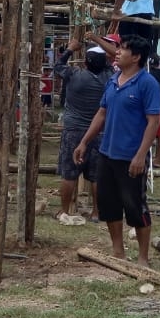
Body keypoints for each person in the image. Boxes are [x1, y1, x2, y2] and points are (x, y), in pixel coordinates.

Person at [72, 34, 160, 266]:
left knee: (135, 206)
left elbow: (153, 122)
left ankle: (143, 257)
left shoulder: (147, 83)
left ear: (137, 57)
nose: (117, 52)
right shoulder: (113, 80)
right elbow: (102, 113)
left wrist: (141, 154)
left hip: (131, 156)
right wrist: (84, 142)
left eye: (122, 49)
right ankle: (118, 252)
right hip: (107, 153)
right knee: (109, 205)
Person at [54, 40, 110, 219]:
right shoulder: (109, 78)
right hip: (99, 131)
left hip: (73, 130)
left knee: (69, 172)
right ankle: (97, 211)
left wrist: (70, 49)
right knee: (96, 175)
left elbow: (57, 66)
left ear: (85, 63)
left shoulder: (73, 75)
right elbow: (111, 62)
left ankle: (64, 210)